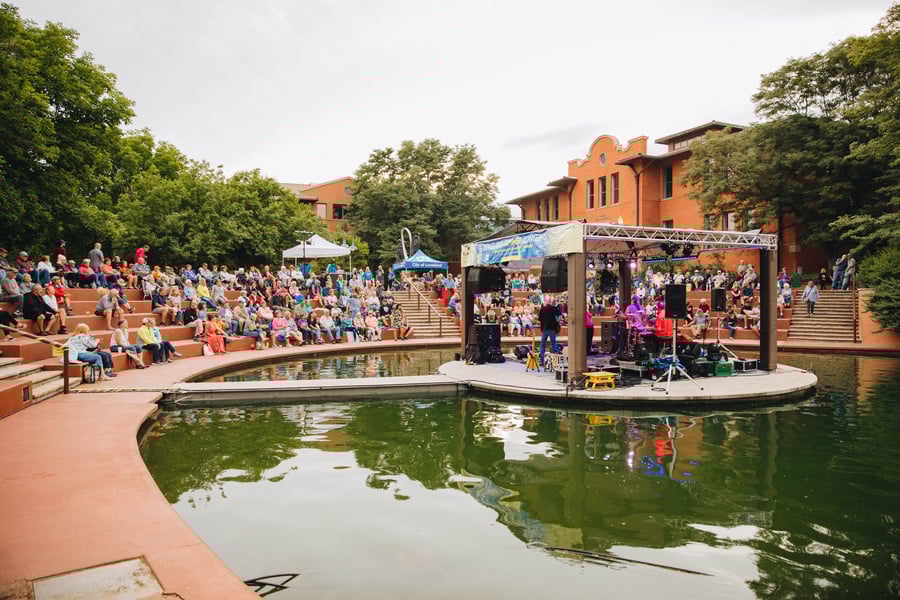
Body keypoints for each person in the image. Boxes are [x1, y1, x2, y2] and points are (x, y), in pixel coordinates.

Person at [537, 296, 560, 365]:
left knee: (542, 345)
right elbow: (560, 315)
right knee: (553, 344)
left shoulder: (542, 309)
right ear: (551, 302)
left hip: (544, 329)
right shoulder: (554, 308)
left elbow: (540, 319)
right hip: (552, 328)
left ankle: (542, 360)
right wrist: (557, 321)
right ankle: (554, 361)